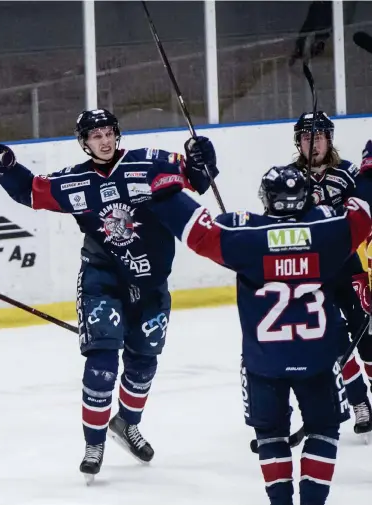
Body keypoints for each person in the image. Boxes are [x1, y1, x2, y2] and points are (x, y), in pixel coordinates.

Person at [0, 108, 217, 481]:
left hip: (151, 283)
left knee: (143, 363)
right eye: (95, 136)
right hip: (102, 277)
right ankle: (94, 443)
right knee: (103, 363)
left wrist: (204, 155)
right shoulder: (75, 182)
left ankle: (126, 424)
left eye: (108, 133)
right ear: (84, 143)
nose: (104, 141)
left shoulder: (149, 162)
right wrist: (5, 167)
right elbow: (31, 190)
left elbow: (197, 178)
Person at [144, 142, 372, 505]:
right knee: (324, 430)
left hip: (263, 362)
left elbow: (192, 228)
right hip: (318, 358)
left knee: (271, 435)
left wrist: (168, 183)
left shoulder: (244, 237)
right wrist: (369, 165)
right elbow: (363, 209)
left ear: (266, 198)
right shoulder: (330, 232)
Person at [284, 111, 371, 435]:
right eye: (307, 137)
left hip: (349, 267)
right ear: (299, 142)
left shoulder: (349, 173)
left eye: (319, 135)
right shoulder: (289, 178)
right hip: (314, 276)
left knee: (369, 335)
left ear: (329, 138)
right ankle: (359, 401)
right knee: (334, 342)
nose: (314, 142)